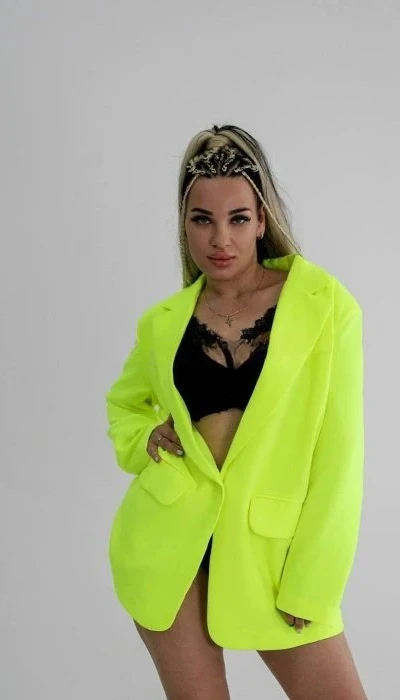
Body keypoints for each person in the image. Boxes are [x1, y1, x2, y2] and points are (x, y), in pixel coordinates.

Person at [105, 124, 368, 699]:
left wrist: (313, 581)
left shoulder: (324, 305)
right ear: (184, 223)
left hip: (272, 550)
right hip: (168, 542)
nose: (220, 238)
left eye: (238, 218)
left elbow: (341, 455)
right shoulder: (163, 322)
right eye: (202, 219)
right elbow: (124, 403)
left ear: (263, 218)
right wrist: (145, 437)